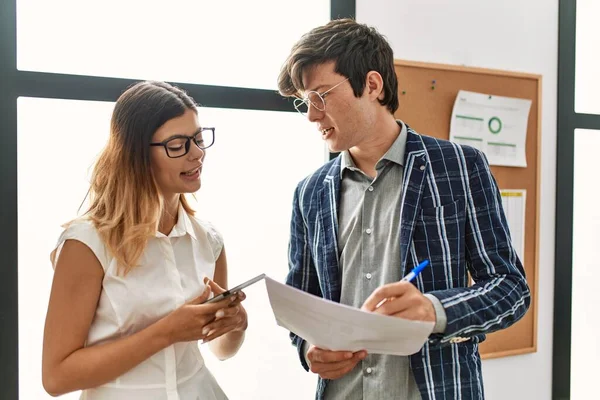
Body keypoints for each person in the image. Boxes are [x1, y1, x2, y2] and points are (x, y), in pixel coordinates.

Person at [278, 18, 530, 400]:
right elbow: (303, 302)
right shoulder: (309, 192)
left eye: (320, 96)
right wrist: (306, 349)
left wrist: (434, 310)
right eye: (304, 102)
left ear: (372, 85)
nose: (311, 115)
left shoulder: (460, 167)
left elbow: (510, 290)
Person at [42, 81, 247, 400]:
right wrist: (167, 332)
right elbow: (57, 377)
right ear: (136, 155)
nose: (197, 154)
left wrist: (236, 324)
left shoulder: (209, 240)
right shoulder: (86, 244)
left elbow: (220, 349)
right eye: (177, 144)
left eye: (198, 138)